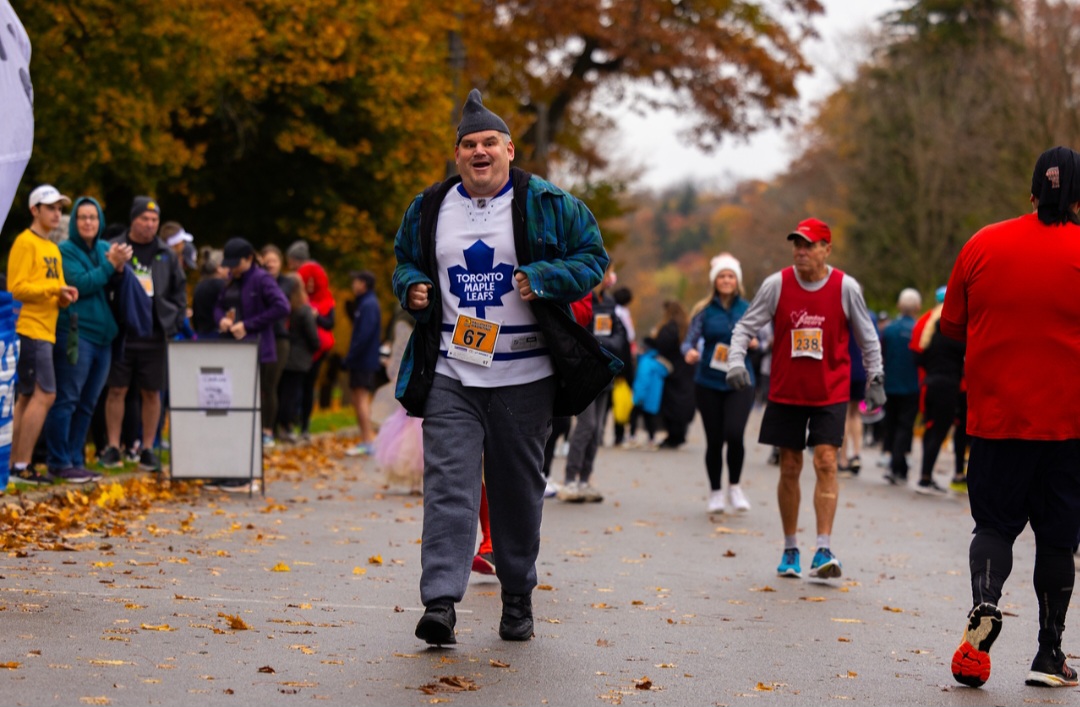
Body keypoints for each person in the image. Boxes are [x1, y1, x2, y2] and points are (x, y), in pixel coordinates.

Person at [394, 88, 614, 646]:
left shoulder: (548, 204)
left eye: (490, 141)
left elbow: (594, 258)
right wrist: (413, 288)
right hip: (452, 372)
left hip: (525, 376)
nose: (479, 151)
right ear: (458, 154)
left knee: (517, 491)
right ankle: (440, 602)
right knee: (449, 485)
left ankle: (517, 593)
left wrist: (543, 278)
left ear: (510, 150)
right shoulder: (429, 207)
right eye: (468, 144)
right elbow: (405, 263)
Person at [944, 146, 1080, 689]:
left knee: (994, 526)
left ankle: (985, 603)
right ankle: (1049, 655)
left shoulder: (982, 243)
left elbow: (952, 327)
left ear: (1030, 192)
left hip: (996, 419)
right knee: (1057, 541)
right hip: (1068, 426)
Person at [726, 218, 884, 580]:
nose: (801, 251)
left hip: (830, 391)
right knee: (790, 466)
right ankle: (790, 548)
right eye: (797, 244)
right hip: (786, 391)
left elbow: (868, 338)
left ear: (826, 249)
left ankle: (824, 548)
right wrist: (735, 361)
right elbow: (745, 327)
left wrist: (876, 378)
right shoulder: (776, 285)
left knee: (827, 462)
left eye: (809, 245)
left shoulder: (846, 288)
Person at [42, 197, 131, 483]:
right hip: (77, 335)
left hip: (105, 338)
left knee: (88, 403)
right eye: (82, 217)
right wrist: (109, 268)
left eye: (93, 217)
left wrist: (119, 268)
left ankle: (76, 459)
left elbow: (115, 284)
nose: (88, 222)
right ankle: (58, 460)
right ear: (74, 222)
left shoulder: (106, 249)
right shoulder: (64, 251)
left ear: (100, 221)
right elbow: (82, 284)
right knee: (67, 398)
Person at [99, 196, 187, 472]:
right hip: (123, 332)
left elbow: (179, 293)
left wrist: (171, 323)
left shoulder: (166, 254)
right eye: (144, 219)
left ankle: (148, 447)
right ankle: (114, 446)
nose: (150, 224)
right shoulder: (116, 248)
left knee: (152, 392)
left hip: (154, 333)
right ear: (133, 220)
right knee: (117, 389)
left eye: (154, 220)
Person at [7, 185, 79, 484]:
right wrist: (53, 290)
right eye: (50, 207)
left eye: (59, 208)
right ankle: (22, 465)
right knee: (44, 394)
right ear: (34, 210)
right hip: (29, 328)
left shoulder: (52, 248)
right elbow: (17, 289)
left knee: (27, 397)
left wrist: (63, 296)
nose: (56, 213)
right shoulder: (25, 243)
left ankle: (13, 465)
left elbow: (54, 286)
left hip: (46, 329)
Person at [682, 253, 756, 513]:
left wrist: (758, 343)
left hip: (740, 380)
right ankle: (715, 492)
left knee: (734, 434)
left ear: (737, 281)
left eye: (731, 276)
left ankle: (734, 487)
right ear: (715, 281)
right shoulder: (703, 311)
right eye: (722, 276)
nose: (726, 280)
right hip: (709, 381)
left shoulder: (747, 309)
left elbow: (766, 337)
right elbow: (688, 341)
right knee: (714, 440)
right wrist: (689, 352)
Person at [558, 266, 624, 503]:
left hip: (605, 371)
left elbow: (619, 335)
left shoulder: (609, 302)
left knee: (597, 431)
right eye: (609, 271)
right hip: (585, 371)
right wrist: (597, 343)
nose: (611, 277)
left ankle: (585, 478)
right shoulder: (580, 298)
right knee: (586, 425)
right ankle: (570, 479)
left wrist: (605, 343)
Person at [286, 240, 335, 441]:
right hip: (301, 350)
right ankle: (292, 421)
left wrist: (316, 317)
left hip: (317, 349)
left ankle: (305, 424)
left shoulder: (326, 301)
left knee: (308, 387)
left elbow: (330, 323)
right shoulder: (297, 301)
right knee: (295, 387)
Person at [881, 288, 922, 486]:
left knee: (892, 424)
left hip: (890, 385)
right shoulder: (919, 329)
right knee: (905, 426)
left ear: (899, 306)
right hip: (911, 386)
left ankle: (896, 463)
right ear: (917, 307)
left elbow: (881, 356)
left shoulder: (888, 329)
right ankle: (898, 463)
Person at [343, 270, 382, 457]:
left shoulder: (368, 304)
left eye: (356, 282)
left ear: (364, 284)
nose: (353, 285)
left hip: (363, 360)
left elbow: (363, 336)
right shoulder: (365, 303)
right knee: (357, 398)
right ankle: (366, 438)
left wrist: (350, 357)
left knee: (361, 399)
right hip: (362, 359)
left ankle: (369, 440)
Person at [647, 300, 694, 448]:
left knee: (671, 403)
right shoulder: (688, 327)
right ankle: (681, 433)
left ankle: (673, 435)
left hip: (671, 369)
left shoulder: (667, 328)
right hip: (688, 369)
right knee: (684, 401)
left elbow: (662, 346)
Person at [278, 275, 320, 443]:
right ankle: (288, 426)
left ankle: (281, 426)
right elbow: (313, 338)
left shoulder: (286, 309)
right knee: (294, 394)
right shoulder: (304, 310)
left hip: (285, 356)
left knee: (283, 393)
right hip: (300, 358)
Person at [259, 245, 292, 446]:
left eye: (274, 260)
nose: (270, 264)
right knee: (259, 385)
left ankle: (268, 429)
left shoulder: (285, 283)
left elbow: (276, 300)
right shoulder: (256, 281)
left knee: (270, 385)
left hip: (278, 338)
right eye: (267, 260)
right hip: (260, 336)